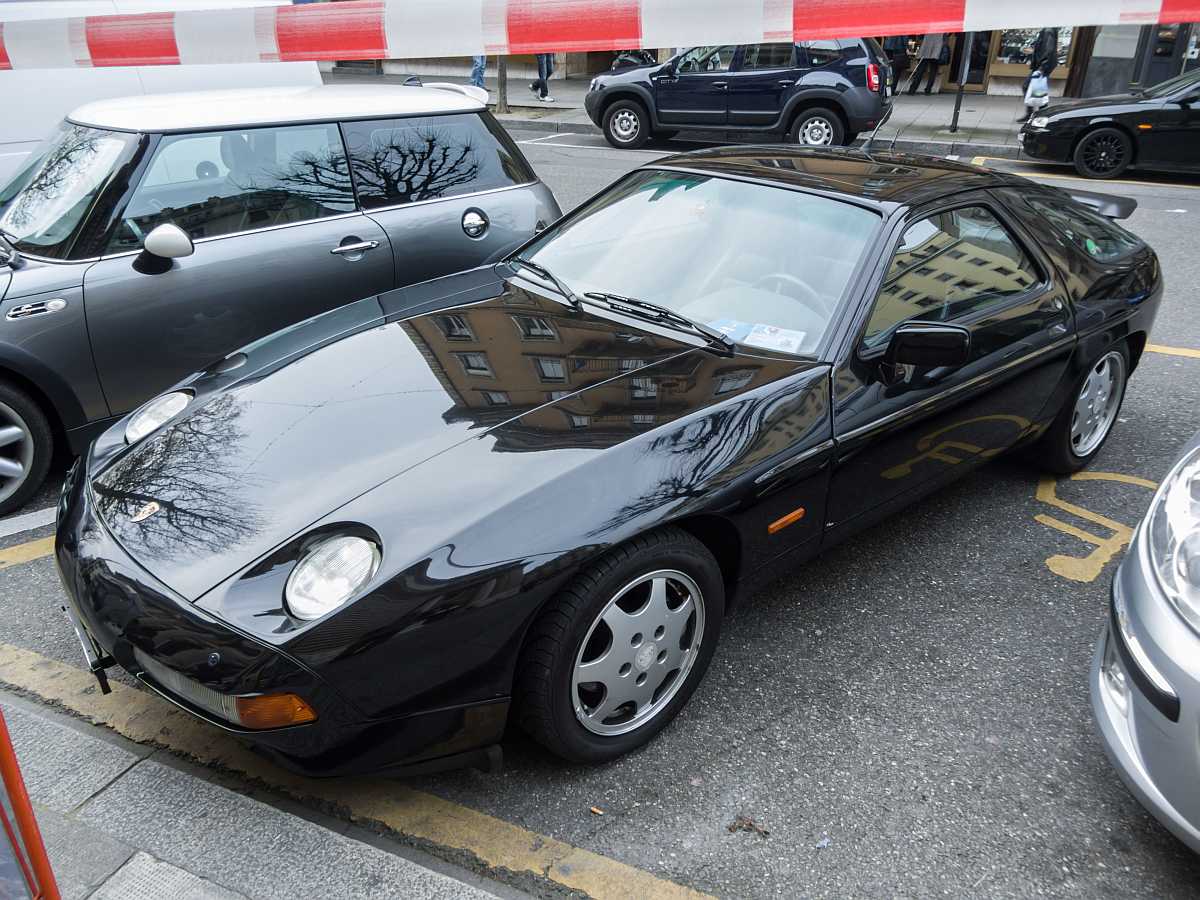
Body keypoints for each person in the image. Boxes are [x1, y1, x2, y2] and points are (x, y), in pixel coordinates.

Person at [1017, 28, 1059, 121]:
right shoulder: (1047, 29)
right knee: (1038, 89)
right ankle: (1037, 114)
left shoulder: (1048, 30)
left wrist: (1042, 67)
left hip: (1043, 65)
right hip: (1042, 65)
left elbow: (1049, 50)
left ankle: (1038, 114)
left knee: (1030, 87)